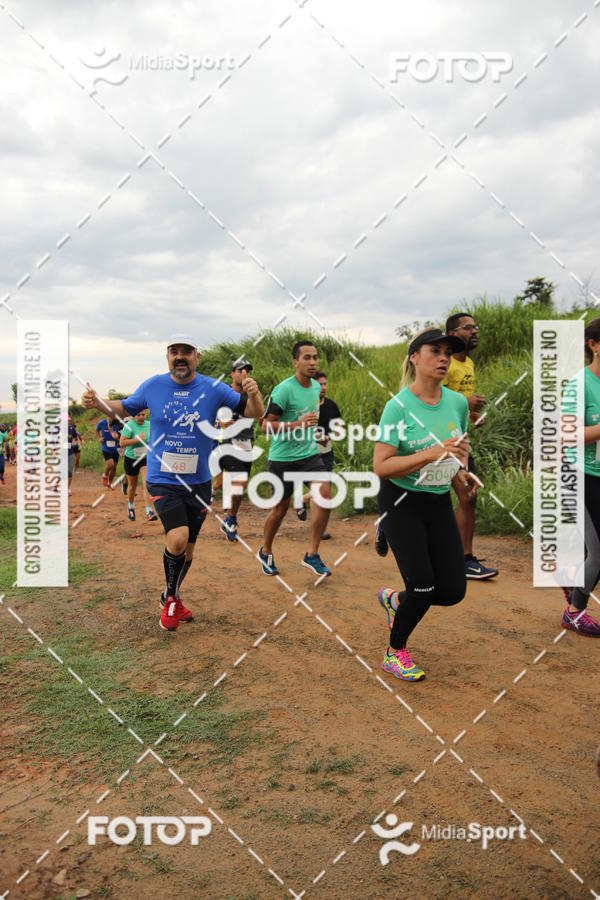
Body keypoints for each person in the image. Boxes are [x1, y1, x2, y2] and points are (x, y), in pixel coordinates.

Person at [81, 334, 264, 632]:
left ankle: (172, 595)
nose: (180, 357)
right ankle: (170, 601)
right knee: (177, 538)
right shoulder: (153, 386)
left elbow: (254, 412)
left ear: (197, 356)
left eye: (186, 352)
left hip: (200, 482)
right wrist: (97, 402)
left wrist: (254, 394)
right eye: (174, 352)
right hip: (163, 478)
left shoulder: (213, 388)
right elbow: (123, 407)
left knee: (188, 551)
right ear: (167, 357)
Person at [374, 328, 470, 681]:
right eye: (436, 350)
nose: (444, 357)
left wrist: (463, 482)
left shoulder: (457, 403)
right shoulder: (398, 406)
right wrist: (431, 452)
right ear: (415, 357)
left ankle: (395, 600)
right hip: (400, 500)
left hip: (437, 501)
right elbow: (381, 465)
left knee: (452, 591)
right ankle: (394, 651)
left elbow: (459, 451)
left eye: (448, 352)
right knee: (424, 586)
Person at [259, 340, 332, 577]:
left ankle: (312, 554)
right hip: (282, 459)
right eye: (307, 358)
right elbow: (265, 427)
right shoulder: (284, 390)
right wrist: (298, 425)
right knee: (280, 508)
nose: (313, 362)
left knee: (325, 492)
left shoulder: (314, 388)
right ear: (295, 362)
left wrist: (316, 434)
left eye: (315, 357)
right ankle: (265, 550)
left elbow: (310, 419)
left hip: (309, 455)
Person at [444, 313, 498, 580]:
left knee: (469, 496)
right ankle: (463, 560)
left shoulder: (470, 365)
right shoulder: (446, 363)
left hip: (461, 442)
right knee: (464, 496)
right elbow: (435, 398)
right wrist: (467, 400)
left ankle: (463, 559)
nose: (474, 331)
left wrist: (474, 416)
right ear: (453, 334)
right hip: (439, 443)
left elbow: (459, 407)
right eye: (468, 328)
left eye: (476, 326)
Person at [560, 317, 600, 636]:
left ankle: (572, 575)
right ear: (594, 345)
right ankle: (574, 611)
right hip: (579, 475)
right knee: (598, 551)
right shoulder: (580, 384)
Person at [212, 359, 256, 543]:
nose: (244, 373)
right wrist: (219, 423)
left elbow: (258, 413)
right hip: (226, 442)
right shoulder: (223, 393)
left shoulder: (250, 394)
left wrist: (253, 395)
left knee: (241, 483)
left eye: (247, 370)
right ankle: (229, 517)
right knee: (237, 480)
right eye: (240, 370)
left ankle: (231, 517)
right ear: (232, 373)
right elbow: (207, 414)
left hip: (246, 441)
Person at [298, 370, 342, 541]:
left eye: (325, 384)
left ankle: (304, 503)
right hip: (307, 454)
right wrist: (315, 437)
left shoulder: (331, 406)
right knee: (320, 491)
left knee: (323, 491)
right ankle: (318, 527)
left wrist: (328, 437)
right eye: (320, 384)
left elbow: (338, 429)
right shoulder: (305, 405)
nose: (323, 387)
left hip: (326, 454)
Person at [119, 409, 157, 522]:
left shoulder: (149, 424)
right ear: (133, 416)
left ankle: (149, 511)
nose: (141, 417)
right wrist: (137, 440)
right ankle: (130, 505)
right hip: (131, 459)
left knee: (147, 484)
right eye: (138, 415)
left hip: (145, 458)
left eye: (143, 415)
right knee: (132, 486)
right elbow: (122, 443)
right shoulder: (129, 426)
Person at [96, 415, 122, 489]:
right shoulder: (101, 422)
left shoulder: (117, 423)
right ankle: (105, 475)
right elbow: (97, 430)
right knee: (111, 464)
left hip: (115, 448)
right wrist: (99, 438)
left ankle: (109, 484)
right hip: (105, 447)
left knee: (114, 468)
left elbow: (120, 433)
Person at [67, 416, 81, 496]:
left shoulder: (71, 429)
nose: (67, 423)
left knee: (69, 472)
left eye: (68, 421)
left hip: (70, 452)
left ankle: (67, 488)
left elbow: (77, 438)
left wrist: (79, 444)